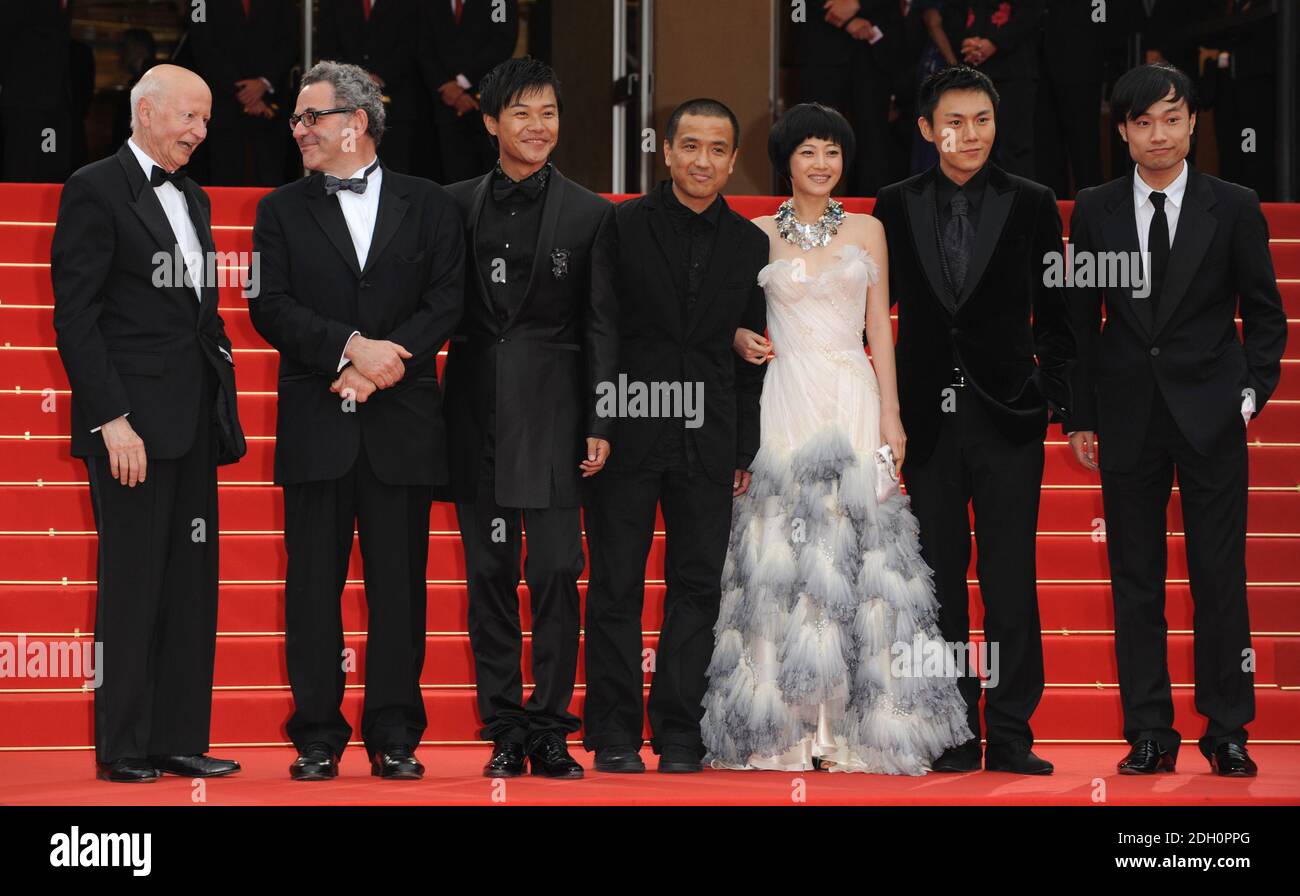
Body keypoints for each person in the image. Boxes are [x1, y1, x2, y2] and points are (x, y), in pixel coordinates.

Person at [711, 103, 971, 774]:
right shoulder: (756, 232)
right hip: (786, 395)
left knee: (863, 550)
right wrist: (741, 338)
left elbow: (881, 328)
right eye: (807, 153)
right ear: (785, 161)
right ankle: (789, 732)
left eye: (832, 152)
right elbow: (735, 320)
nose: (821, 164)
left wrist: (892, 415)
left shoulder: (869, 229)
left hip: (853, 392)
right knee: (784, 549)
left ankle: (861, 730)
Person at [1065, 63, 1287, 777]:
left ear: (1193, 122)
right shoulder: (1095, 209)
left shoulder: (1236, 204)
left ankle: (1227, 728)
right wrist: (1080, 414)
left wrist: (1248, 394)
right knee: (1136, 578)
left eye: (1171, 118)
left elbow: (1266, 314)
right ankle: (1150, 731)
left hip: (1211, 415)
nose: (1158, 135)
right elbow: (1078, 322)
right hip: (1128, 415)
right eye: (1142, 122)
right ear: (1123, 130)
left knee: (1219, 575)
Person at [248, 61, 465, 781]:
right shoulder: (279, 209)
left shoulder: (431, 204)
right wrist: (349, 349)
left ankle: (396, 733)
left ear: (356, 123)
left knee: (400, 591)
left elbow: (445, 299)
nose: (299, 129)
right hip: (318, 420)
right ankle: (316, 735)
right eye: (297, 119)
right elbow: (269, 306)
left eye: (312, 117)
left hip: (400, 424)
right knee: (311, 589)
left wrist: (385, 363)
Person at [872, 66, 1075, 774]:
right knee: (941, 578)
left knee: (1011, 577)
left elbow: (1060, 314)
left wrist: (1051, 393)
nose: (969, 134)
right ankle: (954, 729)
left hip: (1008, 416)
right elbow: (873, 309)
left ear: (997, 123)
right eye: (953, 122)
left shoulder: (1033, 202)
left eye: (981, 120)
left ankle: (1013, 731)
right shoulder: (893, 205)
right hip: (928, 419)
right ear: (927, 129)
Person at [51, 64, 246, 782]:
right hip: (131, 426)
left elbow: (197, 310)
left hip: (193, 418)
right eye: (189, 117)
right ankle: (125, 747)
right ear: (145, 112)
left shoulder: (192, 197)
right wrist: (112, 420)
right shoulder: (93, 189)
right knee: (134, 583)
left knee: (192, 584)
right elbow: (76, 316)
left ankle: (177, 738)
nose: (199, 132)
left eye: (205, 122)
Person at [439, 57, 617, 779]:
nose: (538, 126)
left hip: (554, 417)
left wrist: (602, 417)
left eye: (548, 112)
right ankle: (504, 725)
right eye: (521, 113)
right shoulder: (452, 205)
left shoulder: (590, 212)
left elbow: (603, 326)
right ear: (490, 122)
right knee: (487, 574)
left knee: (552, 570)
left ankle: (550, 726)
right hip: (475, 411)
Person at [582, 99, 769, 774]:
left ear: (732, 158)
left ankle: (680, 731)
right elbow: (599, 329)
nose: (702, 161)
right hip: (630, 429)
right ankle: (613, 733)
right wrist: (599, 421)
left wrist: (744, 446)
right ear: (665, 150)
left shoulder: (750, 244)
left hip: (710, 436)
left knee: (698, 587)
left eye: (718, 149)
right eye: (690, 146)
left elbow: (752, 354)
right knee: (615, 586)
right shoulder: (622, 225)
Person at [186, 0, 296, 185]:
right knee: (224, 174)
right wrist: (240, 90)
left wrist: (263, 83)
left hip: (270, 103)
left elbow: (291, 41)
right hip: (222, 104)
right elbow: (200, 44)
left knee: (271, 176)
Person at [316, 0, 429, 177]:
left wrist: (381, 77)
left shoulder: (409, 4)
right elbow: (326, 46)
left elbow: (412, 44)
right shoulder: (333, 4)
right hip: (345, 105)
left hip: (397, 104)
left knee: (395, 170)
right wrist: (356, 80)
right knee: (347, 170)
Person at [419, 0, 520, 184]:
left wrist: (463, 82)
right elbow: (421, 44)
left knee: (491, 177)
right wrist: (444, 84)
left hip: (486, 100)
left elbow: (502, 41)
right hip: (441, 103)